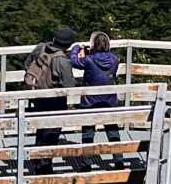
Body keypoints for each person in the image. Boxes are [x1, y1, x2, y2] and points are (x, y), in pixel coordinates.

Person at [23, 27, 77, 172]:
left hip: (37, 95)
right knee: (52, 132)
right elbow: (68, 85)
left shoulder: (40, 47)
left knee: (41, 129)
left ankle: (36, 159)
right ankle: (44, 166)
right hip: (54, 99)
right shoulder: (62, 60)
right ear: (69, 44)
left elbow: (27, 64)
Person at [71, 31, 125, 167]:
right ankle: (119, 160)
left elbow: (74, 61)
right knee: (112, 130)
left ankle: (86, 163)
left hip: (90, 101)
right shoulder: (115, 59)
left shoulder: (89, 60)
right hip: (109, 100)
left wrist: (76, 48)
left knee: (88, 131)